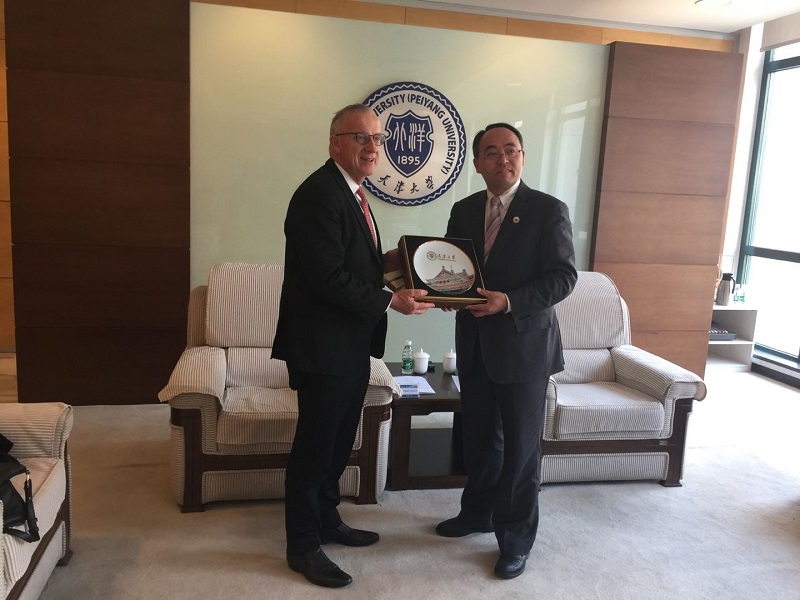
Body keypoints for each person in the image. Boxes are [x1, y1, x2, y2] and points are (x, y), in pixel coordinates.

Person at [272, 104, 434, 589]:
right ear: (335, 143)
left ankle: (327, 520)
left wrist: (401, 263)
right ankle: (302, 545)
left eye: (378, 138)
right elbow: (326, 277)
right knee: (315, 448)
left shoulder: (354, 194)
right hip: (322, 348)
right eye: (361, 137)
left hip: (349, 346)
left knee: (339, 441)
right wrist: (391, 300)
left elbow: (352, 263)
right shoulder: (318, 195)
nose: (372, 147)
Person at [436, 123, 577, 579]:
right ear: (478, 163)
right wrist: (443, 293)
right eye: (492, 152)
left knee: (520, 451)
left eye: (511, 150)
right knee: (479, 439)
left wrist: (509, 301)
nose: (503, 159)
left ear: (522, 157)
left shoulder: (548, 210)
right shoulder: (463, 210)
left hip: (524, 347)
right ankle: (477, 512)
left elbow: (564, 277)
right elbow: (452, 269)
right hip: (475, 344)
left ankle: (515, 539)